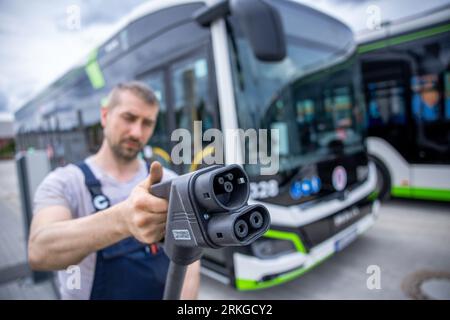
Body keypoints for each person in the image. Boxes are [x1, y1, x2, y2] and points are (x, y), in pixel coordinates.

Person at [28, 81, 200, 300]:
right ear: (104, 115)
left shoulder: (170, 182)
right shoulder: (65, 182)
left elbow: (190, 263)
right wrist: (122, 220)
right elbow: (39, 251)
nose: (137, 132)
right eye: (129, 118)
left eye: (147, 123)